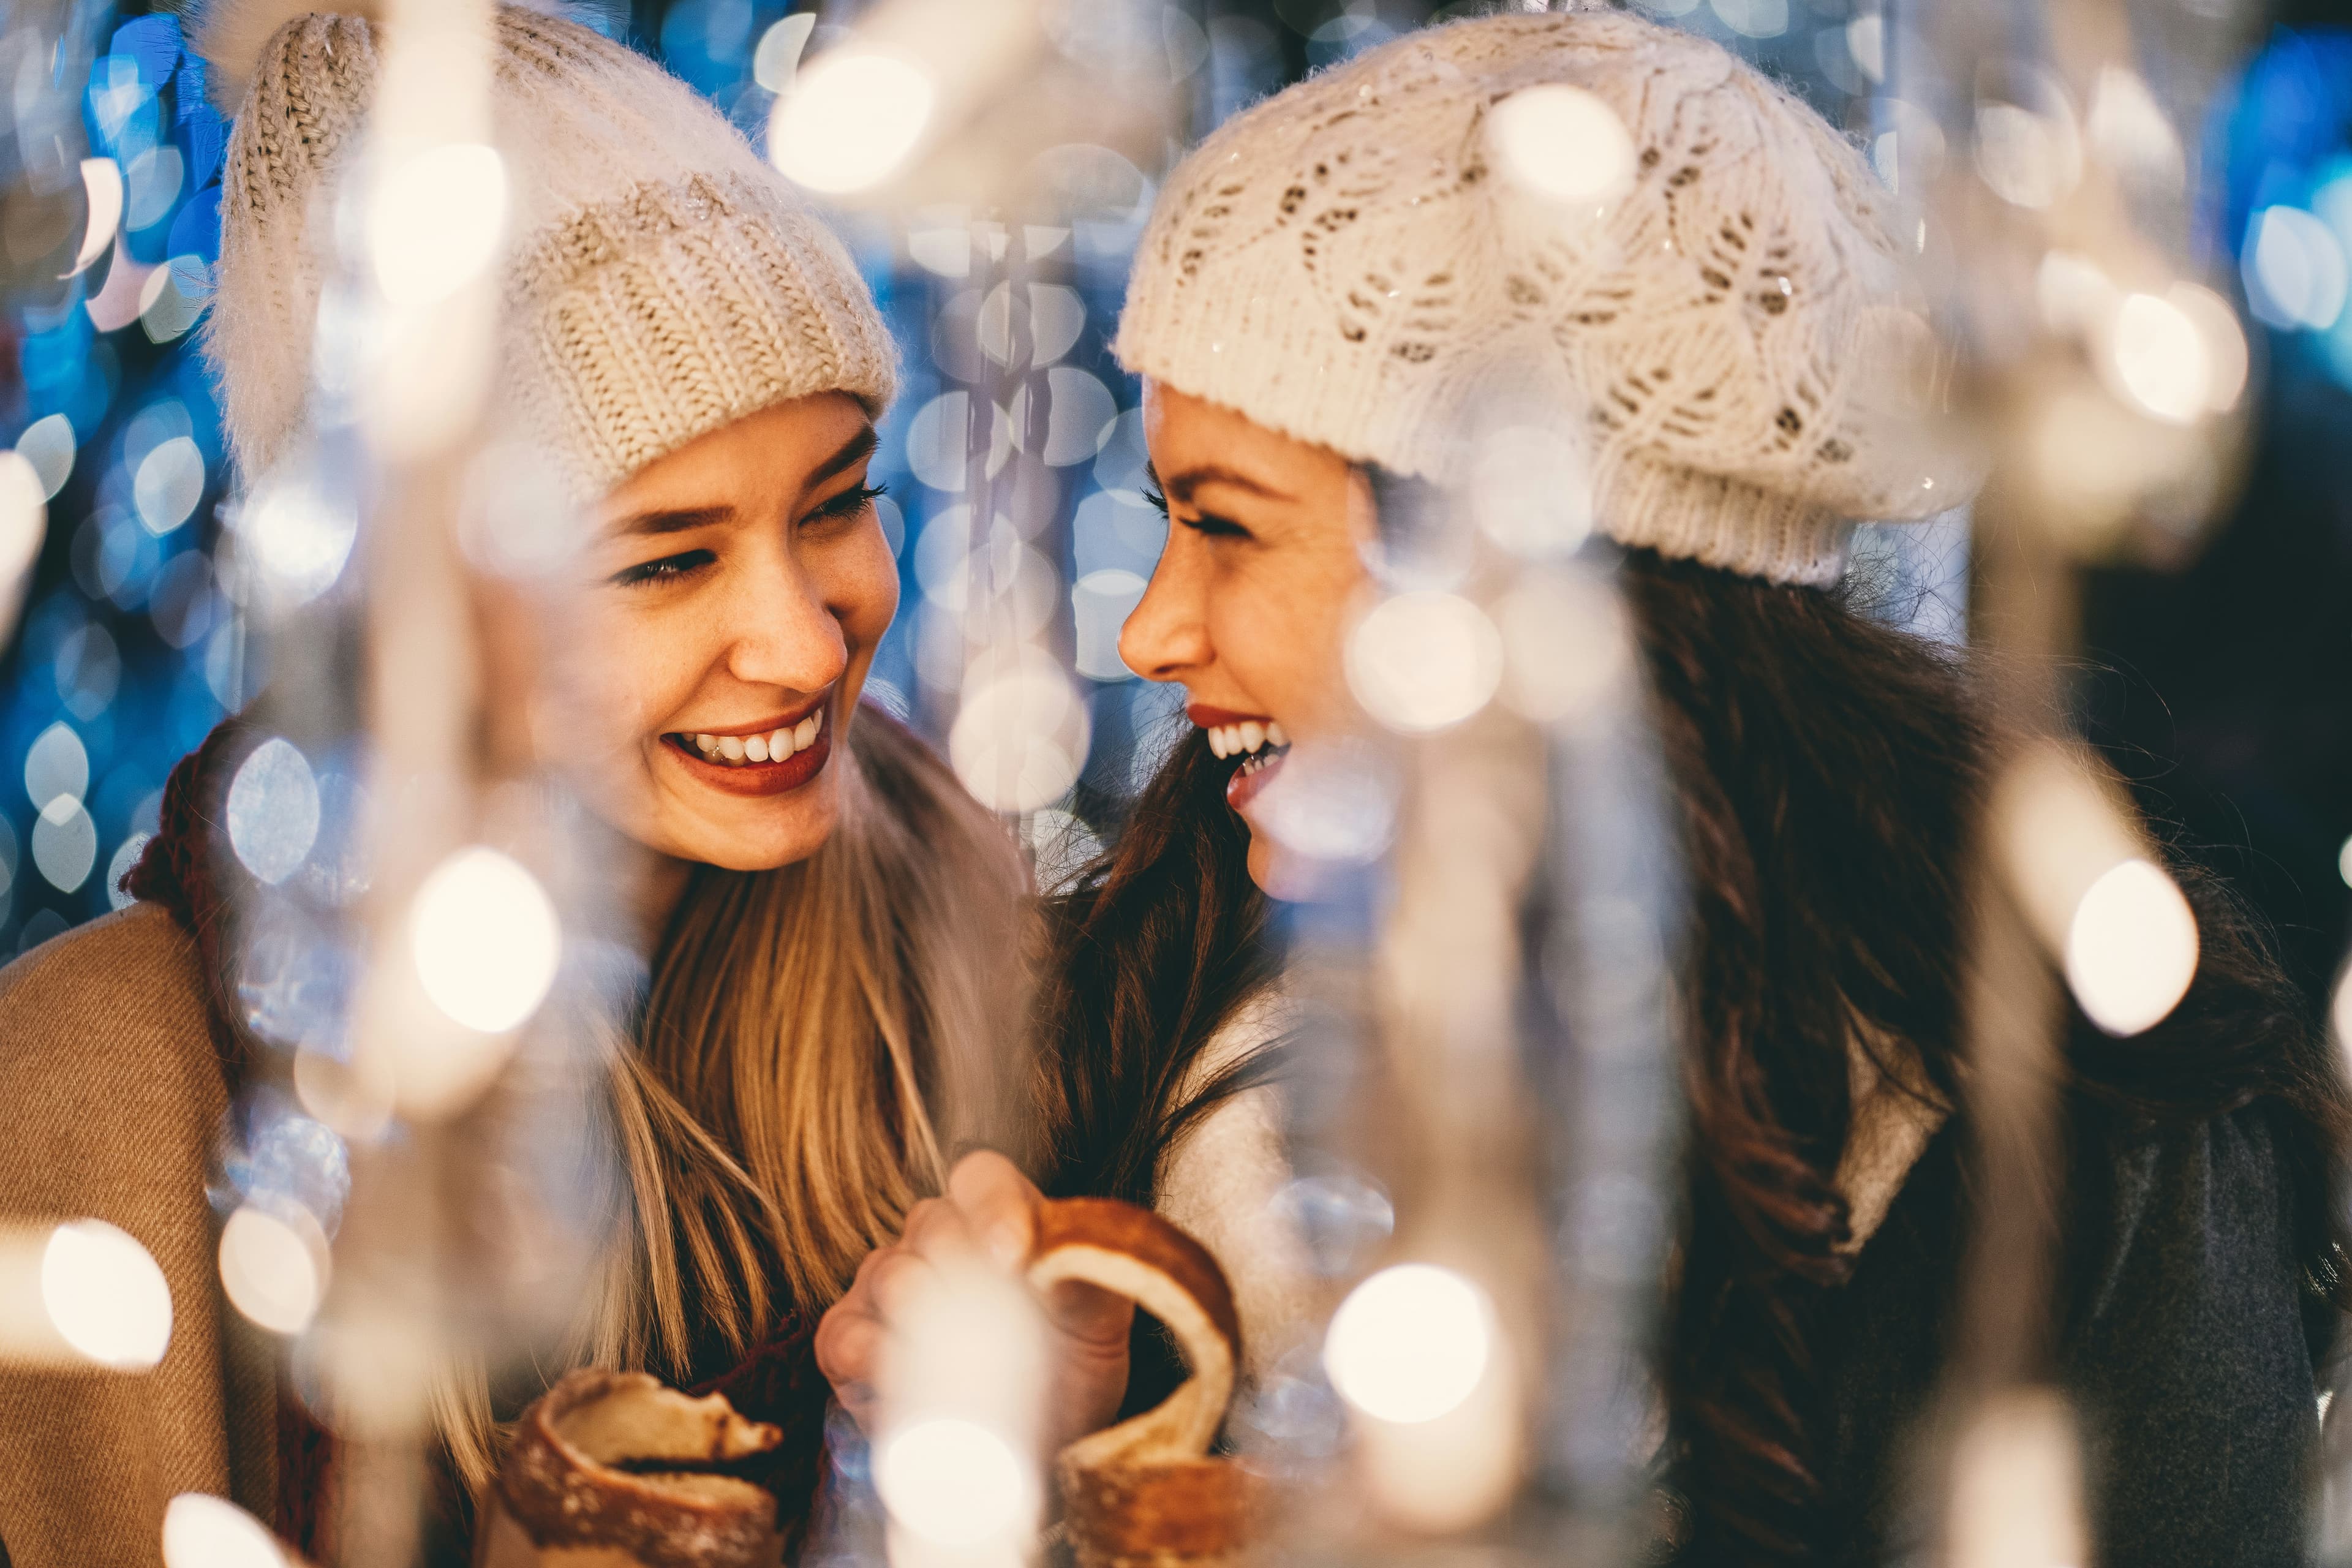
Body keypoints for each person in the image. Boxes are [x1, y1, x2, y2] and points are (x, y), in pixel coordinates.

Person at [818, 12, 2352, 1566]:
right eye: (1164, 517)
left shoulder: (2081, 1138)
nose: (1150, 630)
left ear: (1528, 558)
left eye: (1228, 525)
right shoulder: (1123, 1009)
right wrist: (1053, 1464)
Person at [0, 2, 1024, 1562]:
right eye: (665, 561)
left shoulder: (981, 976)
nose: (807, 645)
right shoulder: (97, 1099)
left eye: (835, 503)